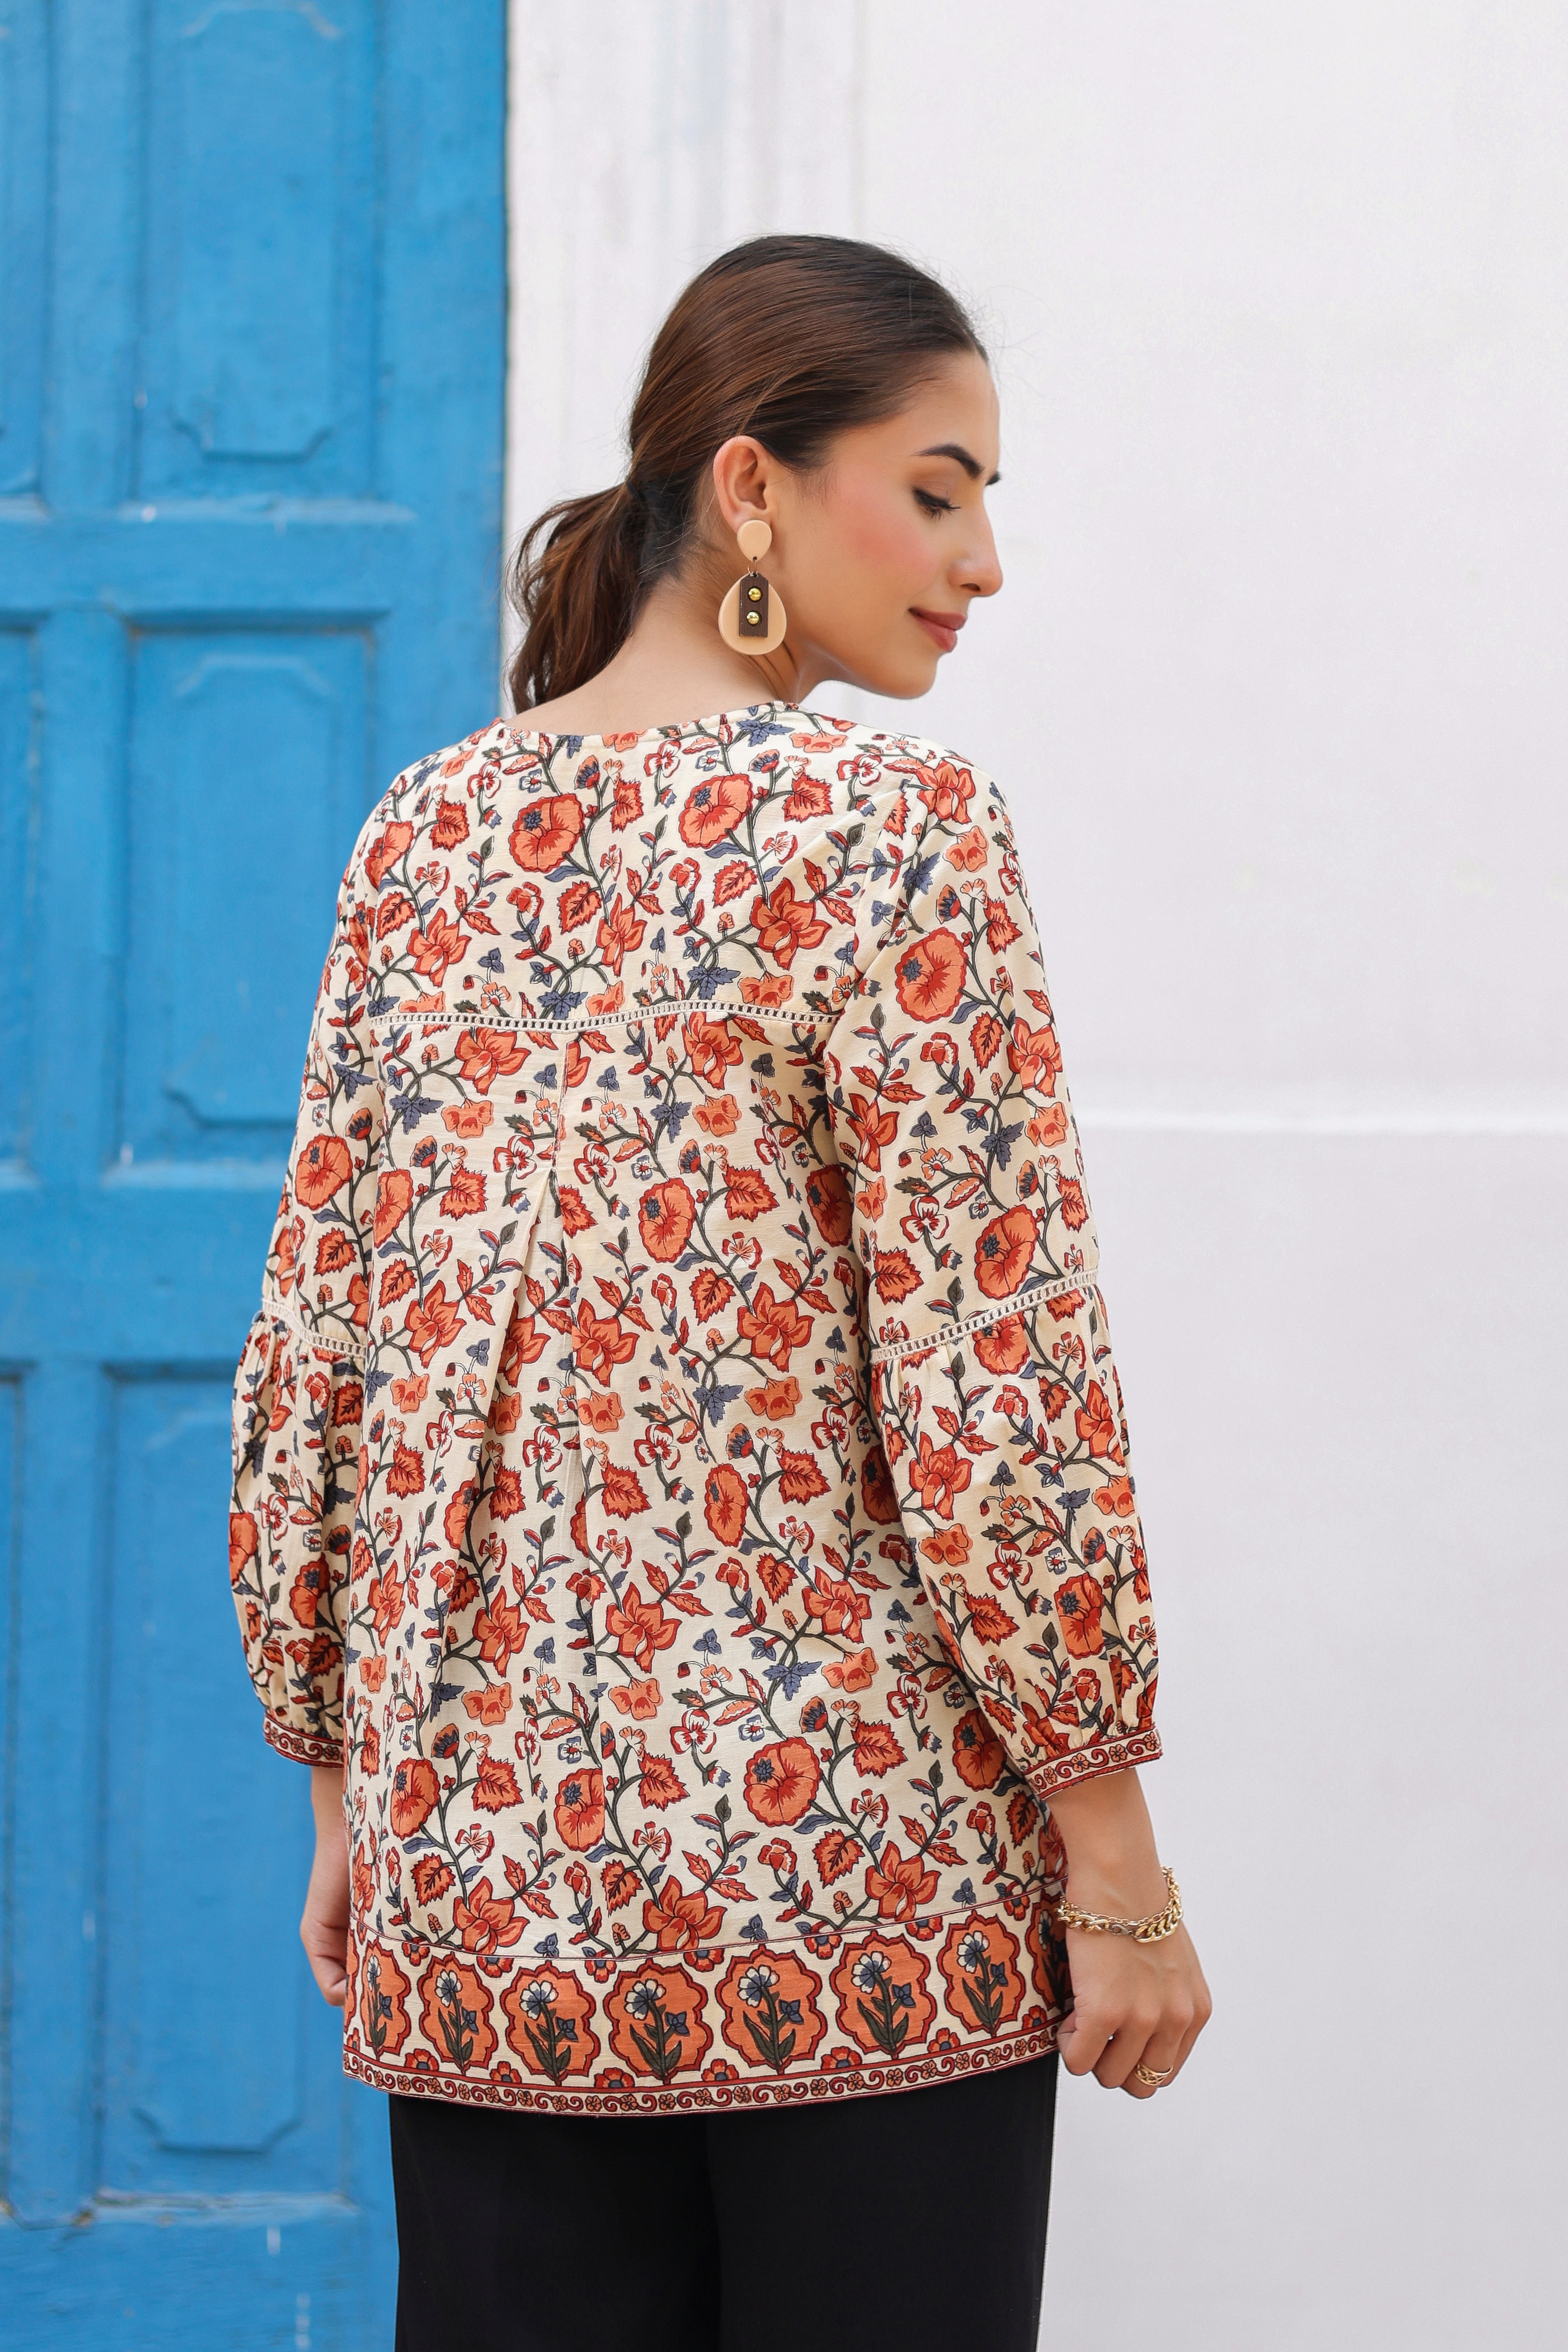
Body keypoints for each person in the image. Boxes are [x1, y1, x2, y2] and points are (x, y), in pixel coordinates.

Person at [229, 234, 1210, 2352]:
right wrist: (1117, 1860)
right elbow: (995, 1381)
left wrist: (345, 1784)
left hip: (488, 1902)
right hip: (864, 1896)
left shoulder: (427, 839)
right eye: (937, 490)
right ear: (754, 488)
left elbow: (322, 1359)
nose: (982, 562)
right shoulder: (895, 833)